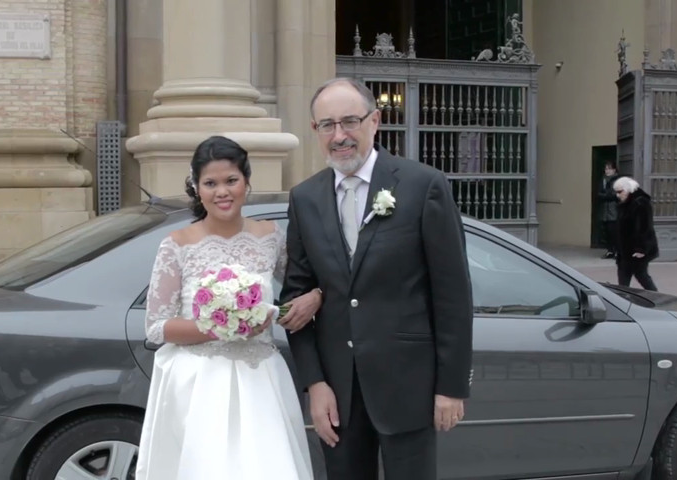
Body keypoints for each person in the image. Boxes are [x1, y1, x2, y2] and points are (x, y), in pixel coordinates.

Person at [279, 78, 474, 480]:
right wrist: (315, 384)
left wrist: (451, 386)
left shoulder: (423, 186)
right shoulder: (304, 198)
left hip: (409, 387)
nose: (340, 136)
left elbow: (452, 294)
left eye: (350, 121)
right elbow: (293, 300)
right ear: (315, 131)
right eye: (327, 125)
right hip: (338, 395)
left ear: (375, 121)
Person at [136, 135, 321, 479]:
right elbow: (157, 326)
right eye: (211, 183)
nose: (222, 191)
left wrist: (315, 296)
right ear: (197, 187)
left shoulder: (270, 237)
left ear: (246, 182)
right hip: (201, 383)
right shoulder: (177, 245)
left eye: (231, 180)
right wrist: (222, 325)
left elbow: (299, 289)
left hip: (260, 378)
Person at [613, 176, 659, 291]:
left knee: (641, 275)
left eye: (620, 192)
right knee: (624, 277)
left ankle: (657, 298)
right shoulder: (626, 203)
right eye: (616, 192)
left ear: (628, 189)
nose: (618, 195)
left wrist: (641, 249)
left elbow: (645, 227)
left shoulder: (640, 203)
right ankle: (622, 301)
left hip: (636, 250)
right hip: (625, 249)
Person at [598, 161, 621, 259]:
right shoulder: (603, 180)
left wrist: (607, 195)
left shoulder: (618, 180)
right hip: (605, 210)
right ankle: (610, 251)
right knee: (606, 232)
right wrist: (608, 195)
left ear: (614, 170)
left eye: (609, 168)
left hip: (614, 210)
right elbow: (599, 194)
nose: (607, 171)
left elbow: (616, 195)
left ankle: (618, 251)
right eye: (606, 168)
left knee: (614, 232)